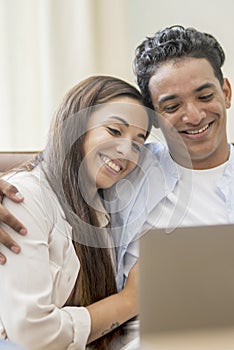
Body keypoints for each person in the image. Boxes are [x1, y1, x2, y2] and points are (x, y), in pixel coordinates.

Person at [0, 75, 152, 350]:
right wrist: (130, 299)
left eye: (137, 143)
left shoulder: (101, 211)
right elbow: (29, 334)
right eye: (115, 131)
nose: (126, 151)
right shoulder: (22, 197)